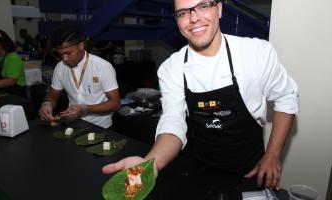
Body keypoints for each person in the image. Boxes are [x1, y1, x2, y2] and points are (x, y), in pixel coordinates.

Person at [102, 0, 299, 190]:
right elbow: (173, 123)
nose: (193, 18)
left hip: (253, 169)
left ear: (219, 9)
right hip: (202, 168)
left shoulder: (255, 53)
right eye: (183, 12)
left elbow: (286, 97)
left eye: (203, 6)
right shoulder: (172, 68)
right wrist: (150, 163)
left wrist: (272, 154)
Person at [38, 26, 120, 128]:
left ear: (81, 46)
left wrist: (84, 109)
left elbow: (115, 104)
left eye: (68, 53)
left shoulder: (102, 67)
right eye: (61, 55)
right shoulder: (60, 68)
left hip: (100, 126)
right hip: (73, 123)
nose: (65, 59)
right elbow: (52, 96)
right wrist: (47, 103)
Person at [0, 29, 27, 97]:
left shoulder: (12, 57)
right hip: (3, 92)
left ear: (2, 43)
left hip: (16, 95)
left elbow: (11, 81)